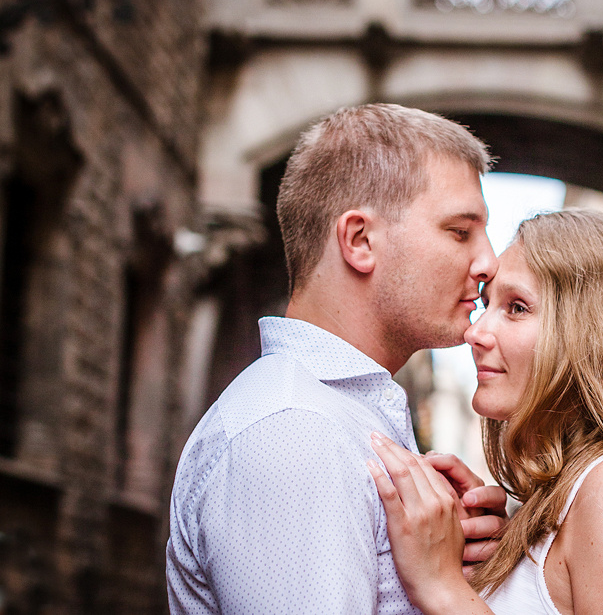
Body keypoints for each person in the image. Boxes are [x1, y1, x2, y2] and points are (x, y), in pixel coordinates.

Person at [166, 104, 509, 614]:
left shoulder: (333, 420)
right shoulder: (294, 431)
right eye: (460, 231)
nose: (489, 262)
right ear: (360, 241)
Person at [367, 209, 603, 614]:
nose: (475, 332)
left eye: (517, 307)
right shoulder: (586, 491)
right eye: (487, 303)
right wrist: (504, 550)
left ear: (595, 334)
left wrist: (440, 586)